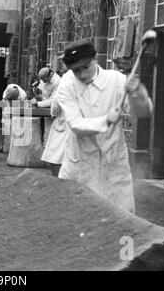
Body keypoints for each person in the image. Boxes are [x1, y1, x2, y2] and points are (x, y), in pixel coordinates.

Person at [57, 41, 153, 213]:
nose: (80, 74)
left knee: (119, 219)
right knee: (79, 222)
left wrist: (137, 92)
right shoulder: (66, 85)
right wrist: (106, 120)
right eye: (75, 70)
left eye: (85, 67)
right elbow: (76, 124)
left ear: (95, 59)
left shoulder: (116, 80)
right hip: (81, 165)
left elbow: (143, 111)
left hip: (114, 165)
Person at [41, 73, 68, 177]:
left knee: (56, 153)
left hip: (63, 120)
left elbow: (55, 102)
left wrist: (53, 113)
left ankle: (58, 179)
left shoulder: (63, 80)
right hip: (77, 122)